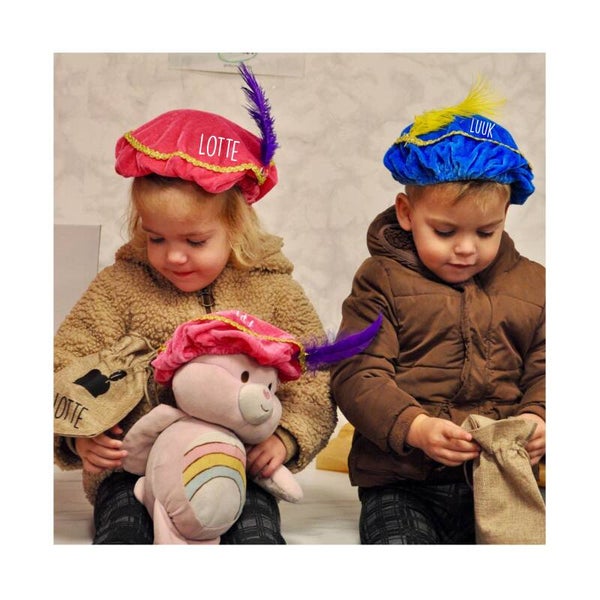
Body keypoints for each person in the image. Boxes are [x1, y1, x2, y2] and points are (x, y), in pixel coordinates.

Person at [54, 64, 336, 544]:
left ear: (236, 229)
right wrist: (78, 435)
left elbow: (316, 376)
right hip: (131, 467)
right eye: (156, 238)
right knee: (123, 537)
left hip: (239, 465)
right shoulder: (119, 288)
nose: (174, 256)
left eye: (195, 240)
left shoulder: (273, 292)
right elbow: (65, 362)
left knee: (257, 539)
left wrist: (286, 437)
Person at [330, 79, 545, 544]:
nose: (466, 248)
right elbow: (356, 373)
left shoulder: (534, 284)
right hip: (403, 481)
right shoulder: (382, 280)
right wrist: (415, 427)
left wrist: (540, 416)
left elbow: (549, 368)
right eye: (445, 232)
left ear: (504, 217)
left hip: (504, 475)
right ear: (406, 213)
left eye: (485, 233)